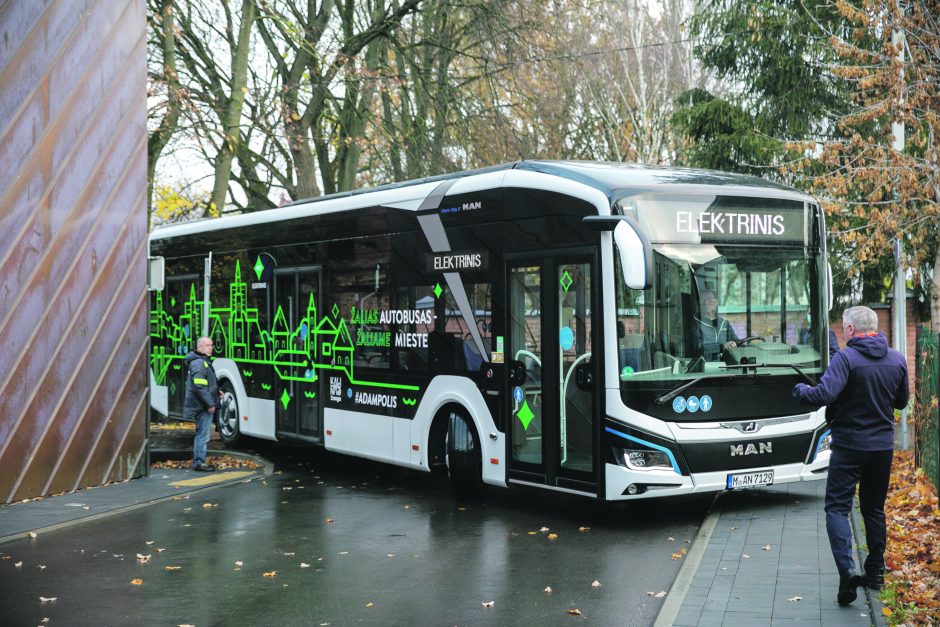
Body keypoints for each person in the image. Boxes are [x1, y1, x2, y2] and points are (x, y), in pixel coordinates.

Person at [791, 306, 908, 605]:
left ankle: (847, 572)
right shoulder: (896, 359)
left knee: (837, 508)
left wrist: (800, 390)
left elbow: (823, 395)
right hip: (882, 448)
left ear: (853, 330)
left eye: (844, 328)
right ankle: (876, 572)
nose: (842, 332)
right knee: (873, 509)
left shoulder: (846, 358)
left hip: (849, 446)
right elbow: (902, 401)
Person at [184, 336, 220, 472]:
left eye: (211, 345)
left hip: (201, 404)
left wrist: (218, 391)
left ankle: (199, 461)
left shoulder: (201, 361)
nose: (211, 348)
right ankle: (199, 463)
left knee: (203, 433)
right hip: (201, 405)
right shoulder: (199, 363)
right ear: (199, 347)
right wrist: (210, 404)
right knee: (203, 435)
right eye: (207, 345)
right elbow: (200, 387)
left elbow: (207, 383)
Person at [693, 289, 741, 361]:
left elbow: (736, 341)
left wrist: (737, 344)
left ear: (716, 302)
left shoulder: (724, 323)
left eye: (710, 299)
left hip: (724, 368)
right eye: (703, 300)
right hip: (703, 367)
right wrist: (721, 347)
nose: (706, 302)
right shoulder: (694, 322)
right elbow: (697, 347)